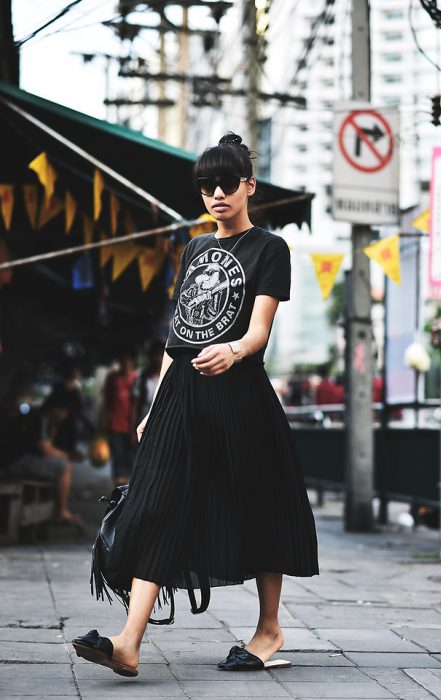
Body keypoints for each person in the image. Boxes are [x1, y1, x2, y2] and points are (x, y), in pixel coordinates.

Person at [72, 132, 319, 676]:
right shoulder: (195, 249)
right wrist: (154, 405)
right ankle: (129, 642)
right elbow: (176, 337)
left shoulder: (270, 249)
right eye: (206, 186)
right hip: (182, 395)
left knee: (261, 505)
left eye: (227, 184)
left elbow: (259, 331)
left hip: (239, 393)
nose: (216, 194)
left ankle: (269, 628)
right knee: (157, 504)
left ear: (249, 186)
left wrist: (231, 351)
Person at [1, 386, 85, 528]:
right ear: (57, 408)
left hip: (21, 459)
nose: (65, 416)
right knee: (64, 466)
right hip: (16, 461)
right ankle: (62, 512)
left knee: (62, 463)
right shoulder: (41, 419)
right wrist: (69, 456)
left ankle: (55, 510)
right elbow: (45, 450)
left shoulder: (46, 420)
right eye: (64, 412)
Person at [102, 348, 138, 486]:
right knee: (118, 460)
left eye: (128, 360)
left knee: (132, 462)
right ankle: (118, 495)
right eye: (123, 361)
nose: (126, 363)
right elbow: (107, 402)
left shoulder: (137, 378)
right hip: (115, 426)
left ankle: (130, 494)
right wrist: (105, 422)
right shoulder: (113, 378)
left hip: (133, 428)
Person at [132, 340, 165, 426]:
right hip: (145, 426)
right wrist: (133, 429)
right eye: (156, 355)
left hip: (162, 426)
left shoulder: (169, 379)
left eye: (161, 355)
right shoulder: (143, 378)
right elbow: (136, 404)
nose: (158, 359)